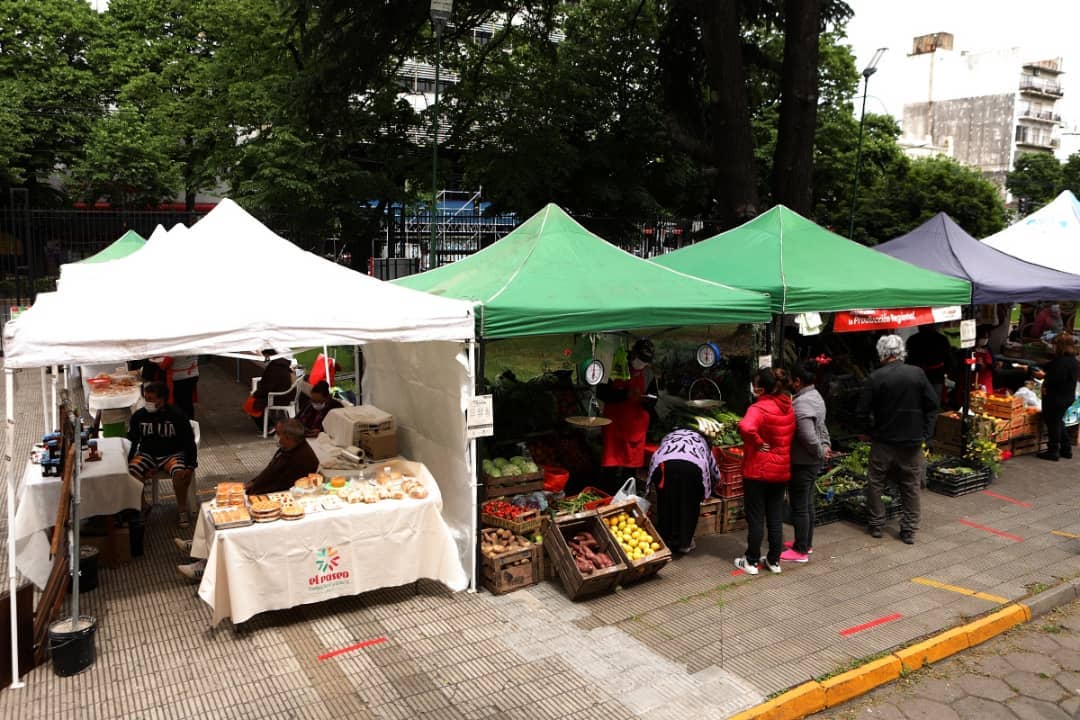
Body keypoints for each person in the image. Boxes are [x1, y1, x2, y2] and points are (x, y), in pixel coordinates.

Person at [176, 419, 318, 581]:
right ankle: (198, 546)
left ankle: (203, 566)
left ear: (288, 437)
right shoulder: (288, 448)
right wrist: (250, 484)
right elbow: (269, 472)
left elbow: (277, 484)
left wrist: (250, 493)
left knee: (223, 515)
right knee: (210, 506)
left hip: (271, 499)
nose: (277, 438)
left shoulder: (302, 458)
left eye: (279, 434)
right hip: (260, 490)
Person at [857, 335, 939, 545]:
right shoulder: (917, 374)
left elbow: (862, 412)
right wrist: (927, 434)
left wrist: (867, 431)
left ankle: (877, 524)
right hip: (911, 442)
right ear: (901, 351)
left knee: (876, 483)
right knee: (910, 485)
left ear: (882, 353)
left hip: (883, 441)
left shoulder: (875, 377)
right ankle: (909, 529)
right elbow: (932, 404)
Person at [734, 368, 795, 576]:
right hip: (780, 470)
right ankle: (774, 560)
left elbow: (745, 427)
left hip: (758, 470)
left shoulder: (758, 408)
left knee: (756, 517)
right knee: (775, 517)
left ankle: (751, 561)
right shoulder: (788, 406)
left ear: (760, 389)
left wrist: (759, 443)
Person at [127, 381, 198, 528]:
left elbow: (189, 442)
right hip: (148, 454)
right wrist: (127, 460)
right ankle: (143, 506)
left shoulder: (177, 416)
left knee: (180, 474)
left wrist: (190, 465)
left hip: (172, 454)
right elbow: (132, 440)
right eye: (146, 399)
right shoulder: (139, 416)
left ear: (162, 399)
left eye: (152, 399)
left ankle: (182, 510)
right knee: (132, 471)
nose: (148, 403)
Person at [782, 360, 830, 564]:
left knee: (800, 506)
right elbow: (822, 427)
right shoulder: (815, 395)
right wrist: (825, 446)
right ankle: (806, 544)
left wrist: (820, 450)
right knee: (807, 503)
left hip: (803, 462)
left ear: (798, 381)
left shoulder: (802, 404)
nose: (790, 383)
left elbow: (808, 436)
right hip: (811, 462)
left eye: (792, 380)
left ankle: (800, 551)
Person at [598, 339, 658, 494]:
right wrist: (625, 394)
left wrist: (647, 401)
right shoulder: (616, 365)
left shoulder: (649, 374)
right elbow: (602, 392)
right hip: (614, 424)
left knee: (630, 467)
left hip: (635, 427)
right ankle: (607, 496)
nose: (641, 364)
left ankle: (626, 498)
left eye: (645, 362)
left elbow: (654, 398)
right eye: (640, 359)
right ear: (634, 353)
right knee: (610, 464)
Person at [645, 427, 718, 554]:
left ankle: (665, 541)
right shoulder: (702, 441)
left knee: (666, 502)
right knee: (689, 505)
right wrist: (713, 485)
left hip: (664, 466)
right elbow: (714, 470)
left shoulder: (669, 436)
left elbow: (659, 453)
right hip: (692, 468)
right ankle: (684, 543)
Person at [1037, 333, 1079, 462]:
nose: (1052, 347)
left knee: (1052, 422)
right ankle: (1066, 449)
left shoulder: (1062, 362)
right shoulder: (1073, 360)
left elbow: (1056, 378)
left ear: (1060, 346)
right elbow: (1051, 367)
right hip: (1067, 396)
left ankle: (1053, 451)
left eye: (1054, 345)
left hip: (1056, 397)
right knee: (1058, 421)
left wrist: (1043, 377)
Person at [242, 349, 297, 432]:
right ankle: (269, 425)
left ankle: (268, 427)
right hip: (286, 395)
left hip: (279, 397)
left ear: (267, 356)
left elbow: (267, 387)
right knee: (254, 401)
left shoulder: (274, 367)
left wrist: (256, 394)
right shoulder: (282, 364)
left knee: (251, 403)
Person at [905, 324, 954, 406]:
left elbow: (908, 360)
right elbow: (949, 358)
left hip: (920, 375)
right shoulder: (942, 339)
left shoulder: (913, 339)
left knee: (919, 402)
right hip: (934, 376)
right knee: (933, 402)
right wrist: (947, 371)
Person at [150, 355, 199, 420]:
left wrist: (154, 360)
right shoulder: (192, 344)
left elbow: (164, 365)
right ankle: (189, 423)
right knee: (187, 401)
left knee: (180, 403)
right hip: (193, 374)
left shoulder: (174, 348)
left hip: (180, 378)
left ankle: (184, 423)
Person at [972, 325, 995, 395]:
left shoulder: (988, 349)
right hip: (973, 380)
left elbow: (992, 365)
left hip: (985, 380)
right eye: (984, 337)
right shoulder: (970, 349)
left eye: (987, 337)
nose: (986, 339)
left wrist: (986, 365)